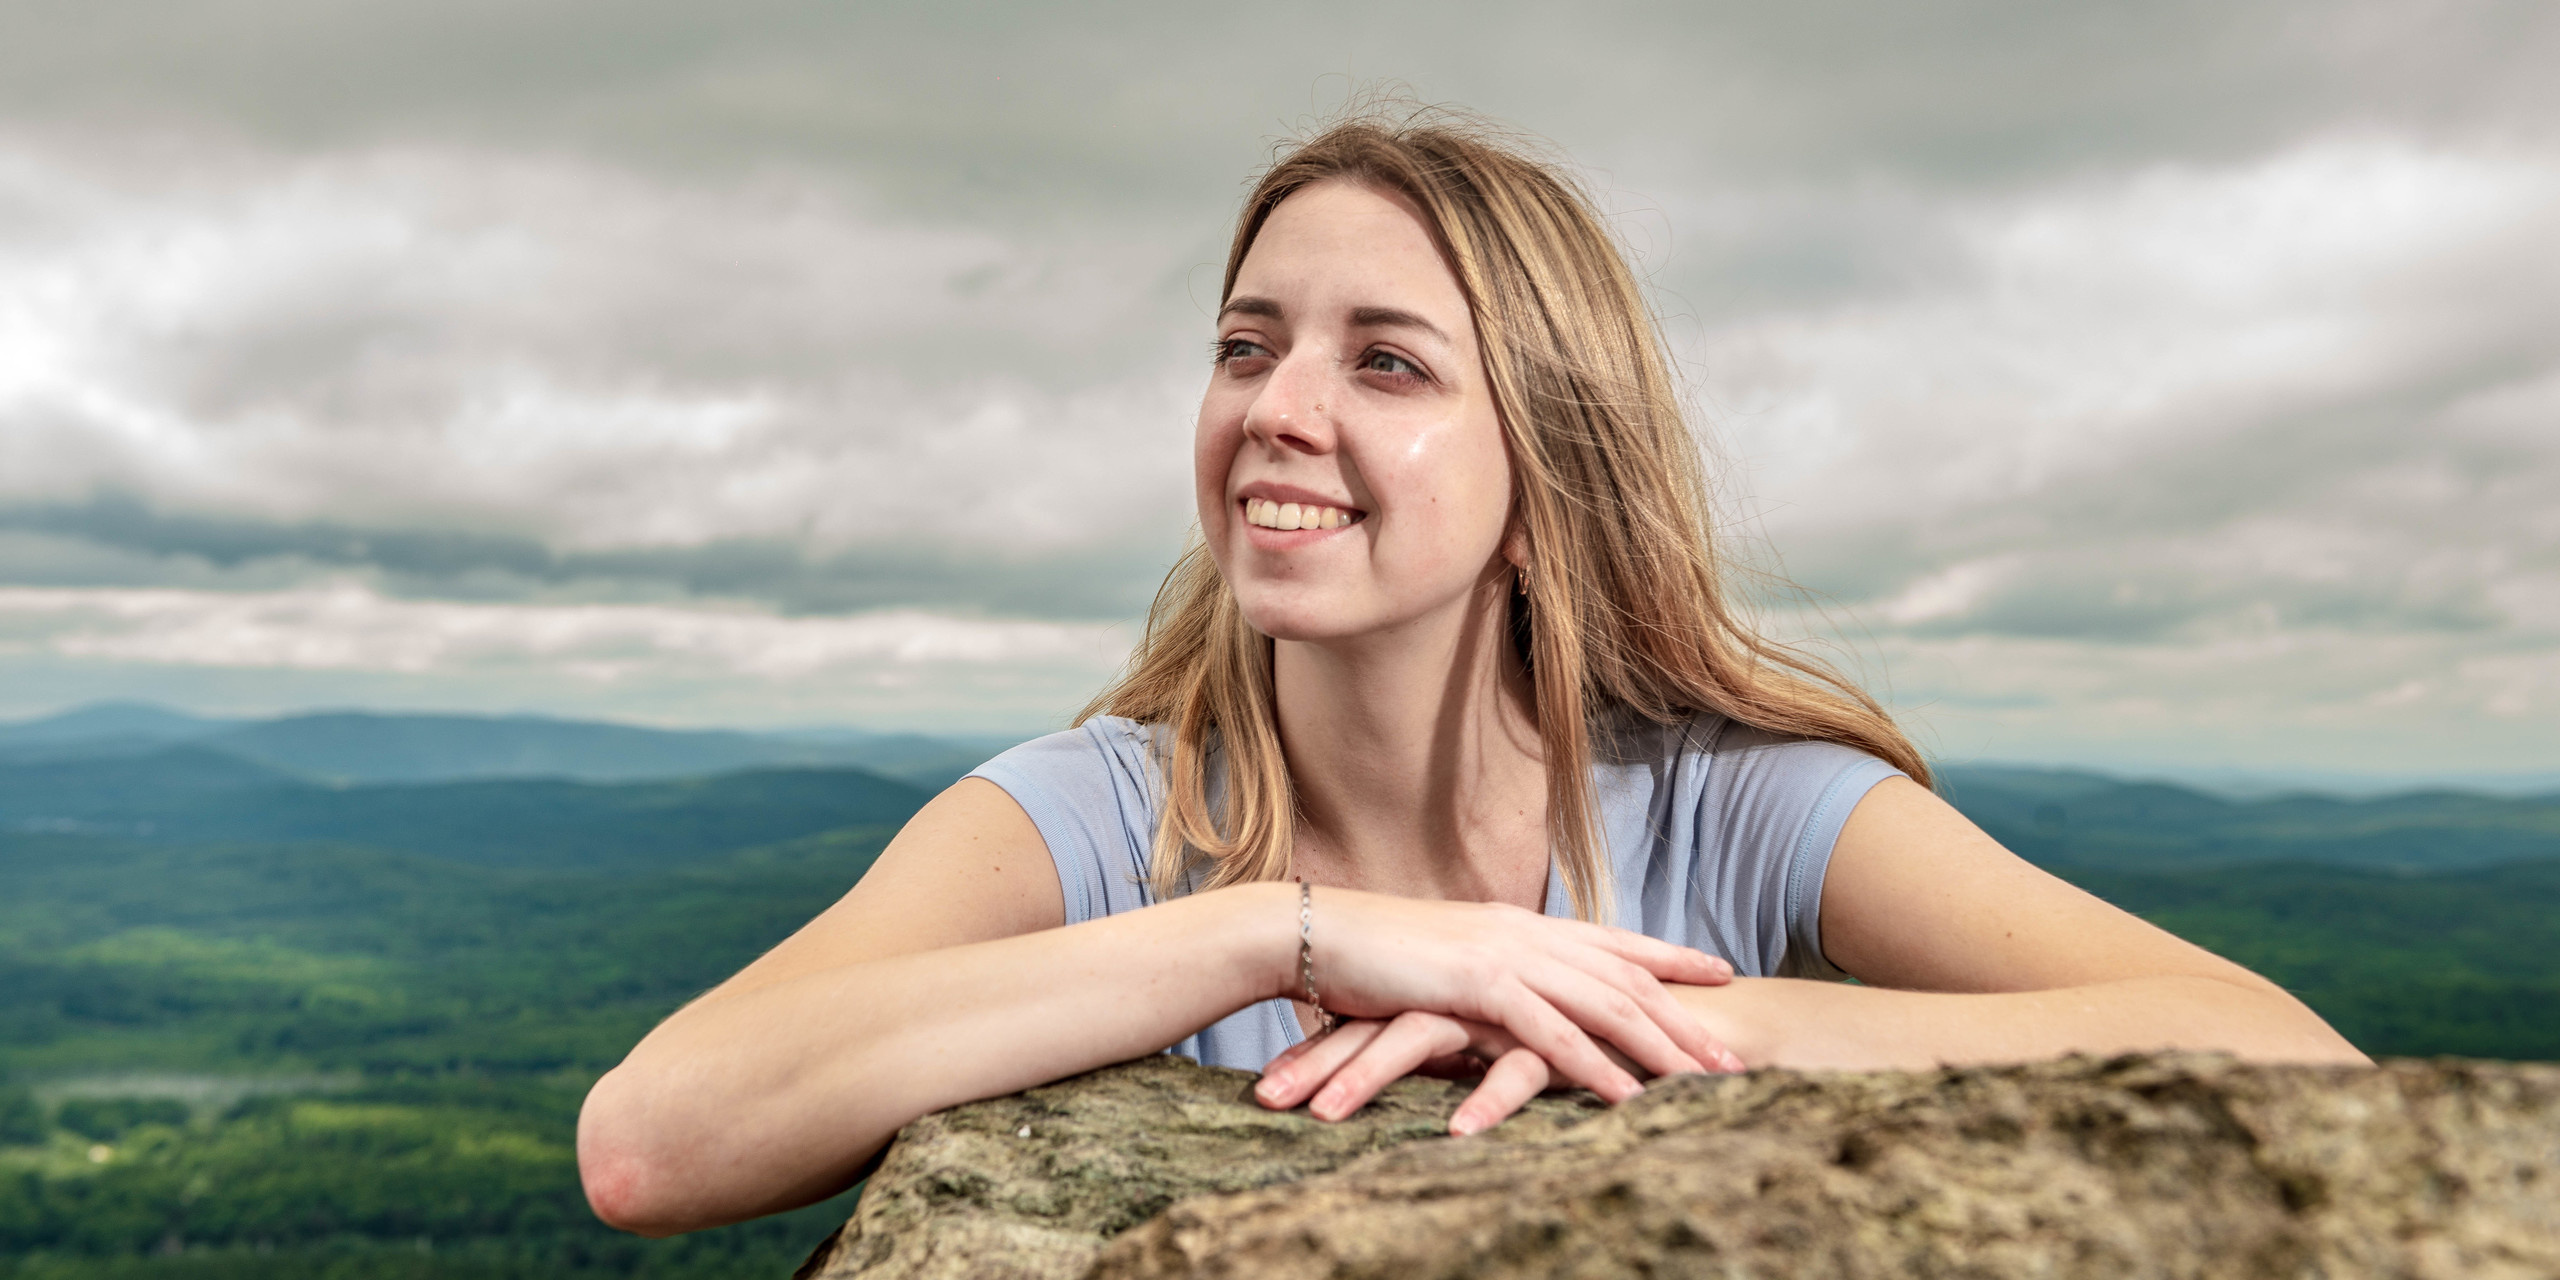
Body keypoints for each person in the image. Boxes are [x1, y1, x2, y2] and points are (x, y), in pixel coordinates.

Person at [575, 110, 2365, 1238]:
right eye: (1246, 346)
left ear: (1548, 468)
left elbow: (2287, 1057)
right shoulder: (1101, 813)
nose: (1278, 408)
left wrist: (1676, 1031)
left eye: (1388, 364)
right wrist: (1283, 935)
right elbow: (653, 1143)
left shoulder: (1736, 805)